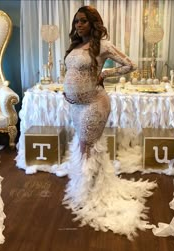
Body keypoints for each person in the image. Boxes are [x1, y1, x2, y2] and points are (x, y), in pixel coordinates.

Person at [63, 6, 156, 239]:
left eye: (83, 21)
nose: (78, 25)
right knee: (86, 146)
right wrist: (69, 90)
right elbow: (74, 72)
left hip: (95, 102)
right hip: (75, 105)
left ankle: (88, 193)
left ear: (93, 23)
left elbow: (130, 65)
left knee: (87, 144)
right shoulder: (76, 46)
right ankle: (89, 185)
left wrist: (105, 75)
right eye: (76, 22)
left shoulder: (102, 46)